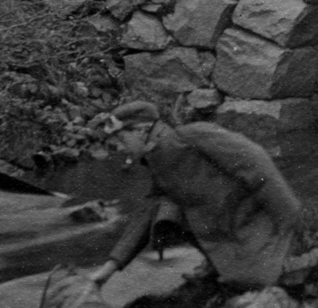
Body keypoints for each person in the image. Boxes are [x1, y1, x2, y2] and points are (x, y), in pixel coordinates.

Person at [89, 101, 302, 292]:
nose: (118, 148)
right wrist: (108, 269)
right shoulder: (157, 159)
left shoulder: (193, 135)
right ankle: (218, 264)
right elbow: (146, 214)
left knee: (265, 280)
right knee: (163, 207)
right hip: (226, 230)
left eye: (120, 139)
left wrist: (290, 219)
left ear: (141, 130)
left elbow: (256, 161)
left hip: (256, 223)